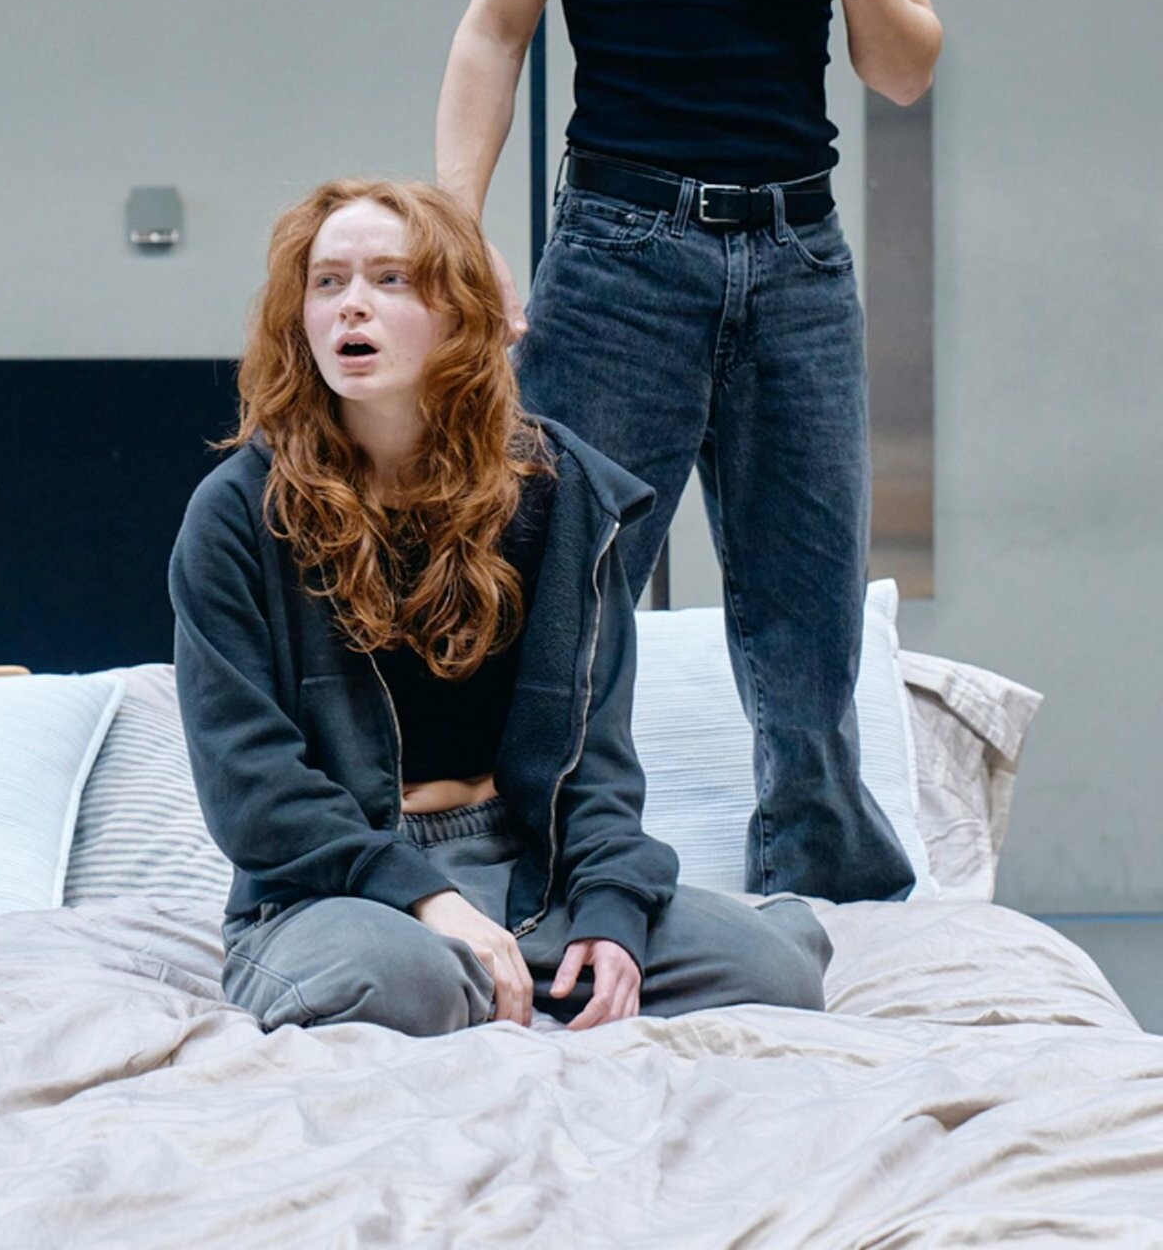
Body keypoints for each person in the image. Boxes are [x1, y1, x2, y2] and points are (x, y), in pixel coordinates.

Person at [435, 0, 944, 905]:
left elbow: (906, 68)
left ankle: (824, 894)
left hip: (798, 258)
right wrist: (459, 229)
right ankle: (554, 888)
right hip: (622, 252)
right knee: (566, 586)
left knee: (810, 602)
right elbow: (492, 31)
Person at [170, 177, 832, 1037]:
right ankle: (456, 978)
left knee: (773, 970)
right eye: (327, 282)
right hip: (332, 890)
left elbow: (596, 761)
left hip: (528, 875)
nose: (351, 305)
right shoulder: (237, 513)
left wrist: (611, 910)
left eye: (391, 279)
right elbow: (252, 789)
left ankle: (510, 974)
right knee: (400, 979)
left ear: (459, 312)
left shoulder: (560, 491)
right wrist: (428, 899)